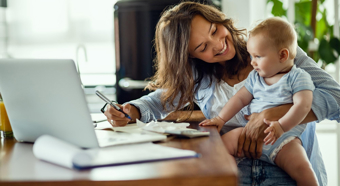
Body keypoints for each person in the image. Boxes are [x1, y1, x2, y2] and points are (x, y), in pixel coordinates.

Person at [104, 2, 340, 185]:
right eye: (202, 47)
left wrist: (274, 114)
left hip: (290, 172)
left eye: (215, 30)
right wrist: (131, 110)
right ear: (190, 57)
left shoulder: (274, 48)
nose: (218, 44)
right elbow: (160, 100)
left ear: (219, 20)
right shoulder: (199, 76)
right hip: (236, 175)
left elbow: (336, 98)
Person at [199, 17, 318, 186]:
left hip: (284, 139)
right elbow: (239, 99)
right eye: (250, 55)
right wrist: (220, 119)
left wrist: (281, 126)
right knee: (219, 148)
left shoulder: (297, 77)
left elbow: (303, 106)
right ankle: (231, 179)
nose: (252, 61)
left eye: (258, 56)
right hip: (248, 134)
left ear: (282, 55)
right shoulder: (255, 77)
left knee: (303, 169)